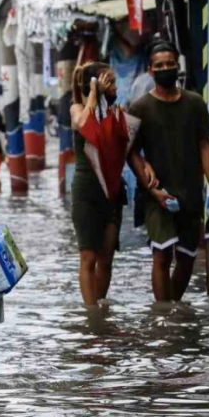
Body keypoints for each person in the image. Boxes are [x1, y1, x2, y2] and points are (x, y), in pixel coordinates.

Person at [128, 41, 209, 302]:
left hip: (190, 192)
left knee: (186, 259)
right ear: (150, 70)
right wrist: (151, 186)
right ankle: (163, 315)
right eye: (159, 65)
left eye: (170, 64)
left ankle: (172, 310)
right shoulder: (139, 108)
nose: (165, 68)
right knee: (161, 254)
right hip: (156, 194)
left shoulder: (194, 102)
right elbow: (129, 151)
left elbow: (205, 145)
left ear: (177, 66)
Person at [70, 63, 153, 306]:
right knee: (88, 256)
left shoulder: (117, 114)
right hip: (87, 192)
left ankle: (100, 308)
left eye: (114, 82)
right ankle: (91, 314)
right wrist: (94, 93)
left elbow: (127, 150)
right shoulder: (78, 108)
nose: (115, 87)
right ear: (94, 84)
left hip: (113, 193)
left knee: (106, 258)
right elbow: (83, 124)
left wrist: (145, 166)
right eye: (109, 82)